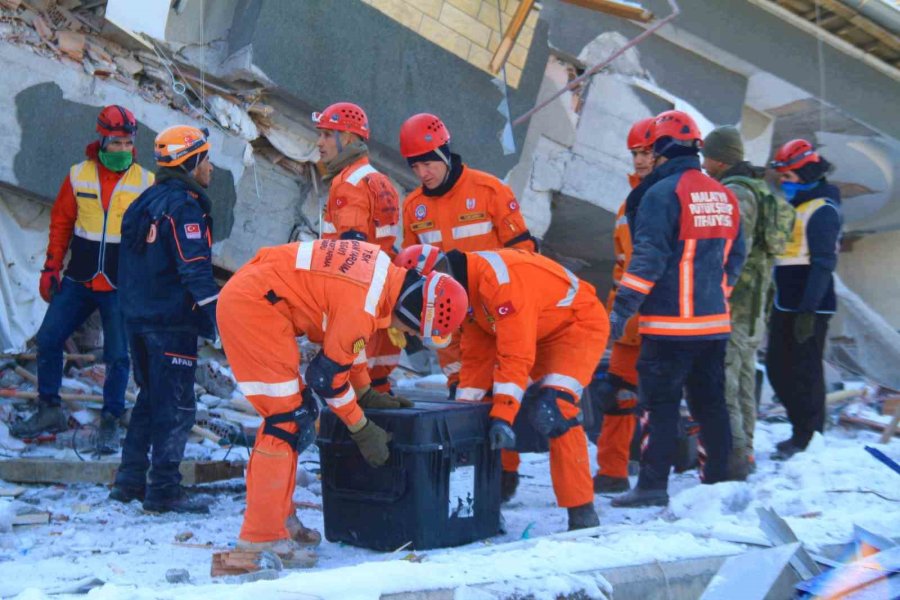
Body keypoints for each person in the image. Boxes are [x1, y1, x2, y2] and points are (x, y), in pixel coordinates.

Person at [216, 239, 468, 559]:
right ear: (413, 310)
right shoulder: (362, 307)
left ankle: (279, 519)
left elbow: (348, 344)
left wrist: (364, 392)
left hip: (260, 297)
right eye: (418, 330)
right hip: (253, 309)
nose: (413, 336)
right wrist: (361, 427)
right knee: (284, 422)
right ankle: (260, 539)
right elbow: (327, 379)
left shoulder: (379, 271)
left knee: (298, 415)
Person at [395, 244, 607, 531]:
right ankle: (498, 486)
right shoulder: (463, 290)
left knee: (556, 408)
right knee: (482, 411)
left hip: (574, 327)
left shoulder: (501, 285)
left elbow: (515, 356)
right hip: (534, 330)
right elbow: (476, 356)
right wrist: (463, 410)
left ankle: (581, 510)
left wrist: (503, 415)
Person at [608, 110, 745, 508]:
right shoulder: (725, 194)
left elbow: (648, 257)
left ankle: (652, 485)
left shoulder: (660, 194)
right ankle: (717, 483)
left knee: (659, 407)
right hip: (714, 324)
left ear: (662, 148)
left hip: (668, 326)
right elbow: (736, 255)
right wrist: (719, 292)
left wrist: (623, 308)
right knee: (711, 405)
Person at [398, 112, 537, 500]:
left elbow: (523, 253)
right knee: (462, 396)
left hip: (496, 313)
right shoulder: (413, 208)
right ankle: (476, 477)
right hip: (450, 322)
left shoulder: (490, 190)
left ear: (445, 153)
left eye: (428, 162)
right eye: (415, 166)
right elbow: (414, 266)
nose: (422, 172)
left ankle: (505, 476)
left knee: (499, 391)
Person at [11, 106, 153, 454]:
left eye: (128, 143)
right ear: (101, 139)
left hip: (120, 284)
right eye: (116, 142)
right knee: (48, 340)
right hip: (79, 279)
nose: (122, 150)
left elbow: (153, 238)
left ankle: (110, 420)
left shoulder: (146, 182)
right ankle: (49, 410)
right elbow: (60, 225)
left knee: (119, 356)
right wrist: (50, 268)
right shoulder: (78, 176)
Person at [109, 125, 219, 514]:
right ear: (190, 162)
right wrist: (218, 320)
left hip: (136, 319)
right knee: (175, 406)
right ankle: (165, 491)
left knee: (149, 400)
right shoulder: (184, 206)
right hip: (170, 323)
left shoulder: (143, 202)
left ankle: (129, 481)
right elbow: (195, 270)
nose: (210, 168)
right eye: (205, 159)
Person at [701, 126, 795, 477]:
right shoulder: (760, 188)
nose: (703, 162)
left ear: (718, 157)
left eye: (706, 155)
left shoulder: (735, 193)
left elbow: (730, 249)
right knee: (742, 377)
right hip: (758, 301)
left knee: (727, 377)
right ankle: (745, 450)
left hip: (736, 300)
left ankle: (734, 455)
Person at [314, 102, 403, 395]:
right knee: (375, 382)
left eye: (328, 135)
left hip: (354, 296)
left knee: (347, 383)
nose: (320, 143)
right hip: (377, 294)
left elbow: (352, 251)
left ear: (349, 138)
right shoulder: (380, 181)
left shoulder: (348, 184)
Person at [766, 139, 841, 461]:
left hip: (808, 306)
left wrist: (807, 311)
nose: (784, 182)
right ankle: (801, 430)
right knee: (778, 368)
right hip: (787, 302)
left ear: (805, 172)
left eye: (788, 176)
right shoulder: (799, 206)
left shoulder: (823, 209)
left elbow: (823, 262)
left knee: (806, 372)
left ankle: (809, 436)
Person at [593, 117, 655, 494]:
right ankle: (612, 471)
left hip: (662, 323)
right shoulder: (625, 206)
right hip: (629, 324)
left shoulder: (665, 200)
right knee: (617, 395)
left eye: (647, 152)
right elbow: (621, 264)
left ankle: (705, 472)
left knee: (667, 400)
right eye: (635, 153)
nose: (640, 160)